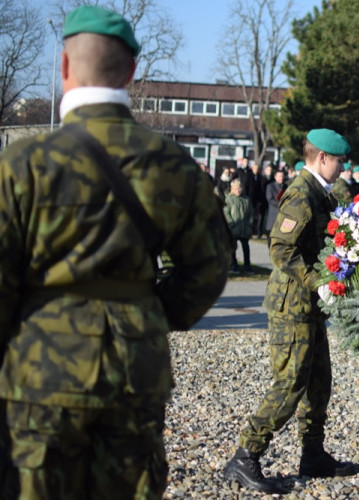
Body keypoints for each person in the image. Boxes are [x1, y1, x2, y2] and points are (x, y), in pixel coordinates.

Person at [0, 6, 231, 498]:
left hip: (41, 368)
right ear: (130, 72)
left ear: (64, 67)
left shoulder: (23, 163)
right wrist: (148, 312)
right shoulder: (173, 164)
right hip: (135, 363)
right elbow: (209, 268)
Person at [224, 129, 355, 494]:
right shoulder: (301, 193)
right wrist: (318, 281)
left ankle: (312, 456)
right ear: (322, 158)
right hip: (292, 306)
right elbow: (281, 249)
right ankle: (245, 455)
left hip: (310, 305)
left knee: (318, 383)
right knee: (290, 384)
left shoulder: (321, 193)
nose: (343, 167)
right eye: (339, 161)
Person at [225, 178, 255, 274]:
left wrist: (250, 223)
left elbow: (251, 212)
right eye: (235, 188)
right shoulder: (229, 199)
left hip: (245, 228)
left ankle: (247, 265)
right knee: (233, 248)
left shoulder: (246, 199)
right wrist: (232, 224)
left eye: (239, 188)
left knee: (246, 247)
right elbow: (226, 213)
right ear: (232, 189)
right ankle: (234, 265)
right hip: (234, 228)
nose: (238, 190)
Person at [265, 169, 287, 246]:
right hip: (273, 215)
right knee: (270, 238)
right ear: (275, 177)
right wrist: (282, 205)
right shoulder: (270, 186)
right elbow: (270, 199)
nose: (281, 178)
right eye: (279, 176)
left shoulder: (286, 186)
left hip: (284, 216)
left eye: (282, 176)